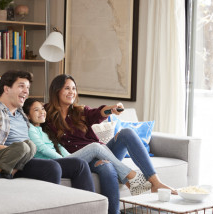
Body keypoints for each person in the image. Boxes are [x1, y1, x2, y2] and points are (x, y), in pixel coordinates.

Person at [43, 74, 176, 214]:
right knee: (107, 166)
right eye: (67, 88)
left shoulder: (80, 111)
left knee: (127, 133)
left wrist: (111, 109)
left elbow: (98, 113)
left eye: (74, 88)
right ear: (56, 90)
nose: (72, 92)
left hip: (102, 151)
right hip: (82, 160)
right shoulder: (46, 113)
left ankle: (155, 182)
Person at [0, 71, 94, 192]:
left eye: (28, 88)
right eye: (21, 86)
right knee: (52, 168)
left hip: (28, 158)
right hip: (8, 161)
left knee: (79, 165)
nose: (26, 91)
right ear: (6, 89)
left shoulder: (21, 113)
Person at [23, 98, 152, 194]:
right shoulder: (31, 129)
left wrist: (69, 158)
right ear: (28, 115)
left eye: (42, 108)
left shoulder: (44, 129)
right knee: (95, 147)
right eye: (36, 110)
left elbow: (59, 147)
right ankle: (131, 176)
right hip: (54, 163)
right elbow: (42, 148)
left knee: (100, 147)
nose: (42, 112)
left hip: (64, 159)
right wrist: (63, 160)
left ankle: (133, 180)